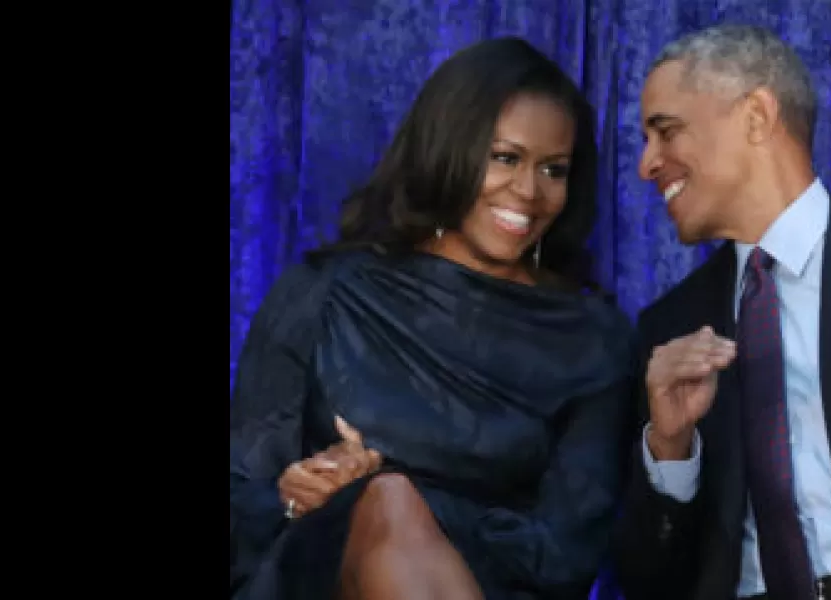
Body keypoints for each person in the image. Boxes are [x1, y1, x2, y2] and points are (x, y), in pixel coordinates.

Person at [229, 37, 634, 600]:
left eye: (554, 169)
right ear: (449, 148)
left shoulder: (594, 340)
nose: (528, 191)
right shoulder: (324, 294)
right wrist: (300, 496)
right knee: (388, 506)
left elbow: (568, 553)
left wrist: (398, 498)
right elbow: (241, 497)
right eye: (505, 157)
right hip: (315, 583)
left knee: (392, 500)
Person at [609, 25, 831, 600]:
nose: (646, 165)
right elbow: (649, 582)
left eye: (666, 131)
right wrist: (670, 449)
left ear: (756, 115)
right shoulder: (671, 327)